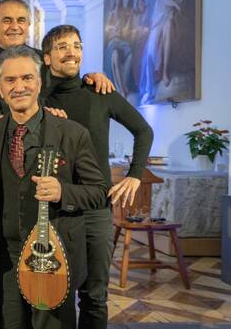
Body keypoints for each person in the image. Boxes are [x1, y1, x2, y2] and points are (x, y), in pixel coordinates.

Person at [0, 46, 108, 328]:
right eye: (9, 80)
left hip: (55, 257)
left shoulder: (73, 133)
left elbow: (99, 193)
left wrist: (64, 192)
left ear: (39, 83)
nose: (19, 86)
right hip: (6, 260)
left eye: (27, 78)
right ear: (0, 89)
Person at [41, 25, 154, 329]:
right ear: (47, 57)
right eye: (63, 46)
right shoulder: (37, 97)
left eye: (77, 45)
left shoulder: (99, 92)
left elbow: (144, 130)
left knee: (94, 294)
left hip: (95, 209)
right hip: (52, 209)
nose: (72, 52)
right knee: (53, 293)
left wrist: (134, 175)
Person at [0, 0, 115, 112]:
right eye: (7, 21)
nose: (15, 26)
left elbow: (69, 87)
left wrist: (90, 79)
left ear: (28, 26)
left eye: (21, 20)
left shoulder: (47, 60)